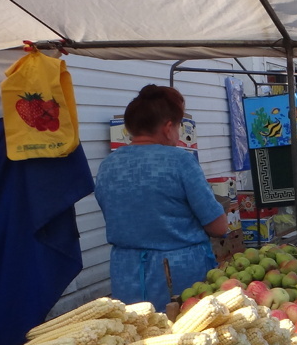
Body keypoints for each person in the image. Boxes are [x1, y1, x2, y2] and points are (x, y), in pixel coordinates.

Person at [94, 85, 227, 311]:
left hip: (126, 273)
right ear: (167, 128)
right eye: (178, 127)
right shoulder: (180, 161)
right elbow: (218, 226)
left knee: (137, 335)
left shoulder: (108, 165)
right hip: (178, 275)